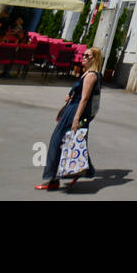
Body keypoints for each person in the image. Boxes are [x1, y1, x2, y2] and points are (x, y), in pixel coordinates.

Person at [36, 47, 102, 191]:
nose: (83, 57)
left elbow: (85, 99)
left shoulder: (91, 76)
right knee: (71, 141)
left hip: (75, 111)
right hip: (72, 108)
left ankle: (53, 179)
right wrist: (71, 95)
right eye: (83, 55)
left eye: (87, 56)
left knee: (57, 141)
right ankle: (80, 171)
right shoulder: (87, 74)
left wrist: (76, 118)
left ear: (94, 59)